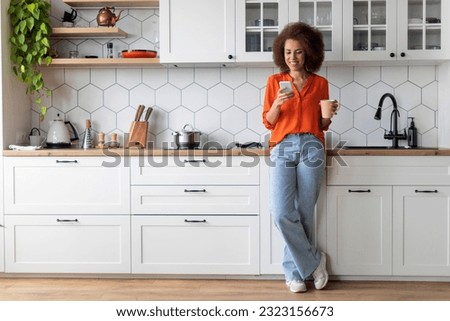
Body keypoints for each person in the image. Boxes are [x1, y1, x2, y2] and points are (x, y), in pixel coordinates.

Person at [262, 22, 338, 293]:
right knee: (282, 212)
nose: (292, 58)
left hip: (312, 146)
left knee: (304, 212)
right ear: (280, 54)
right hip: (282, 146)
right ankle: (314, 262)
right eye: (287, 52)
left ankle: (294, 273)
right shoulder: (274, 82)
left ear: (309, 53)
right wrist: (276, 105)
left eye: (298, 52)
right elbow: (268, 123)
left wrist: (329, 114)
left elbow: (323, 124)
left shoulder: (320, 83)